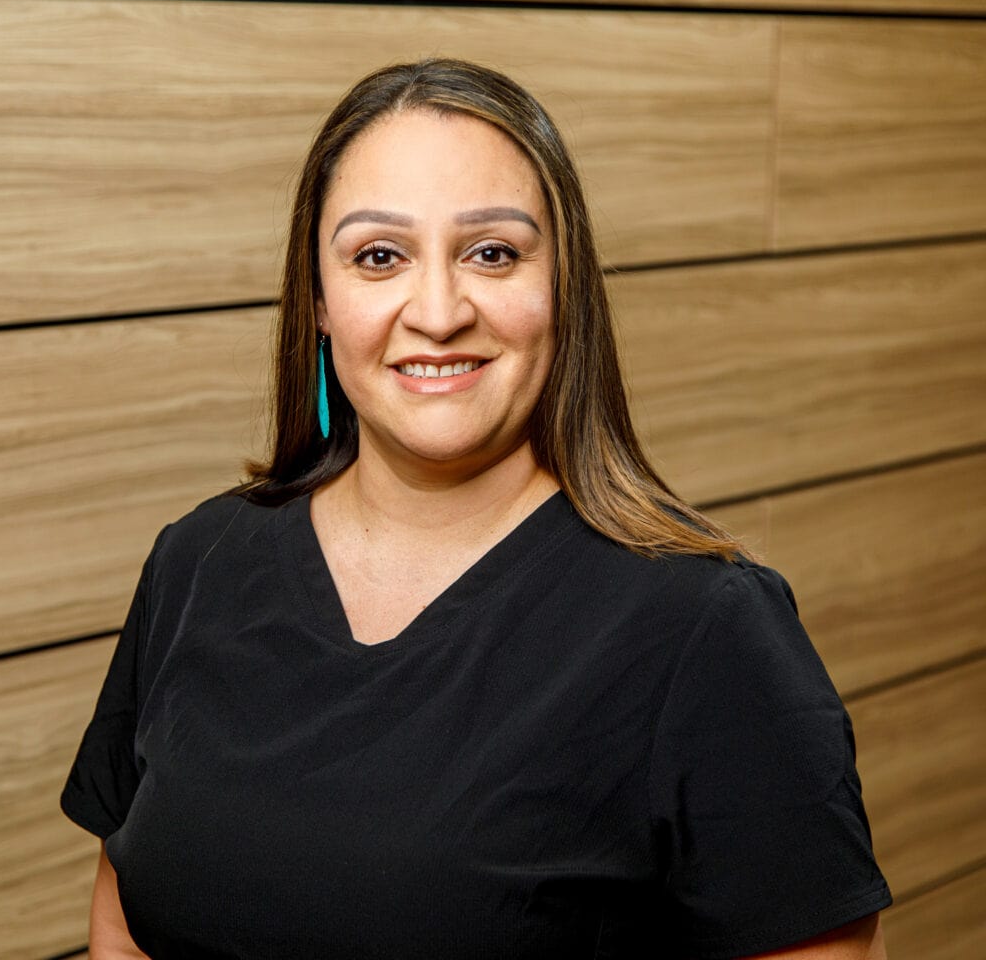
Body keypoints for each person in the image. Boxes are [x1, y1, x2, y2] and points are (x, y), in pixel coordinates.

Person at [62, 58, 891, 959]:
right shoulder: (198, 562)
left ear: (562, 289)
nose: (439, 310)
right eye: (379, 256)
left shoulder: (708, 631)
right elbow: (123, 925)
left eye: (492, 252)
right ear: (319, 304)